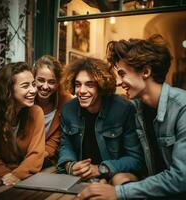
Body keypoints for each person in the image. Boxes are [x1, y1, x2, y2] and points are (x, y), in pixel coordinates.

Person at [78, 35, 186, 199]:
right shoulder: (136, 109)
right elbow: (139, 161)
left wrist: (119, 192)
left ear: (145, 71)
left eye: (122, 74)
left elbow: (180, 178)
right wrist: (108, 178)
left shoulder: (182, 107)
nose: (118, 82)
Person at [57, 57, 143, 183]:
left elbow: (136, 159)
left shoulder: (124, 109)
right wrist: (70, 165)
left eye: (89, 84)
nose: (81, 91)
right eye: (77, 84)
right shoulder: (68, 109)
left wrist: (102, 169)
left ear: (101, 86)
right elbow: (66, 145)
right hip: (81, 178)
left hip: (115, 175)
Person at [0, 62, 45, 186]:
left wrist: (16, 176)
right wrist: (6, 176)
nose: (33, 90)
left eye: (33, 84)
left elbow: (36, 154)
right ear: (9, 90)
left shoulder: (36, 112)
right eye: (25, 86)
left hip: (23, 177)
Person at [34, 55, 71, 168]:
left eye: (51, 82)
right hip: (23, 156)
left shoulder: (65, 101)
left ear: (58, 83)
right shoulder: (26, 98)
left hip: (48, 158)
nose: (45, 87)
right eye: (40, 80)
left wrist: (35, 159)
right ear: (33, 78)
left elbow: (55, 141)